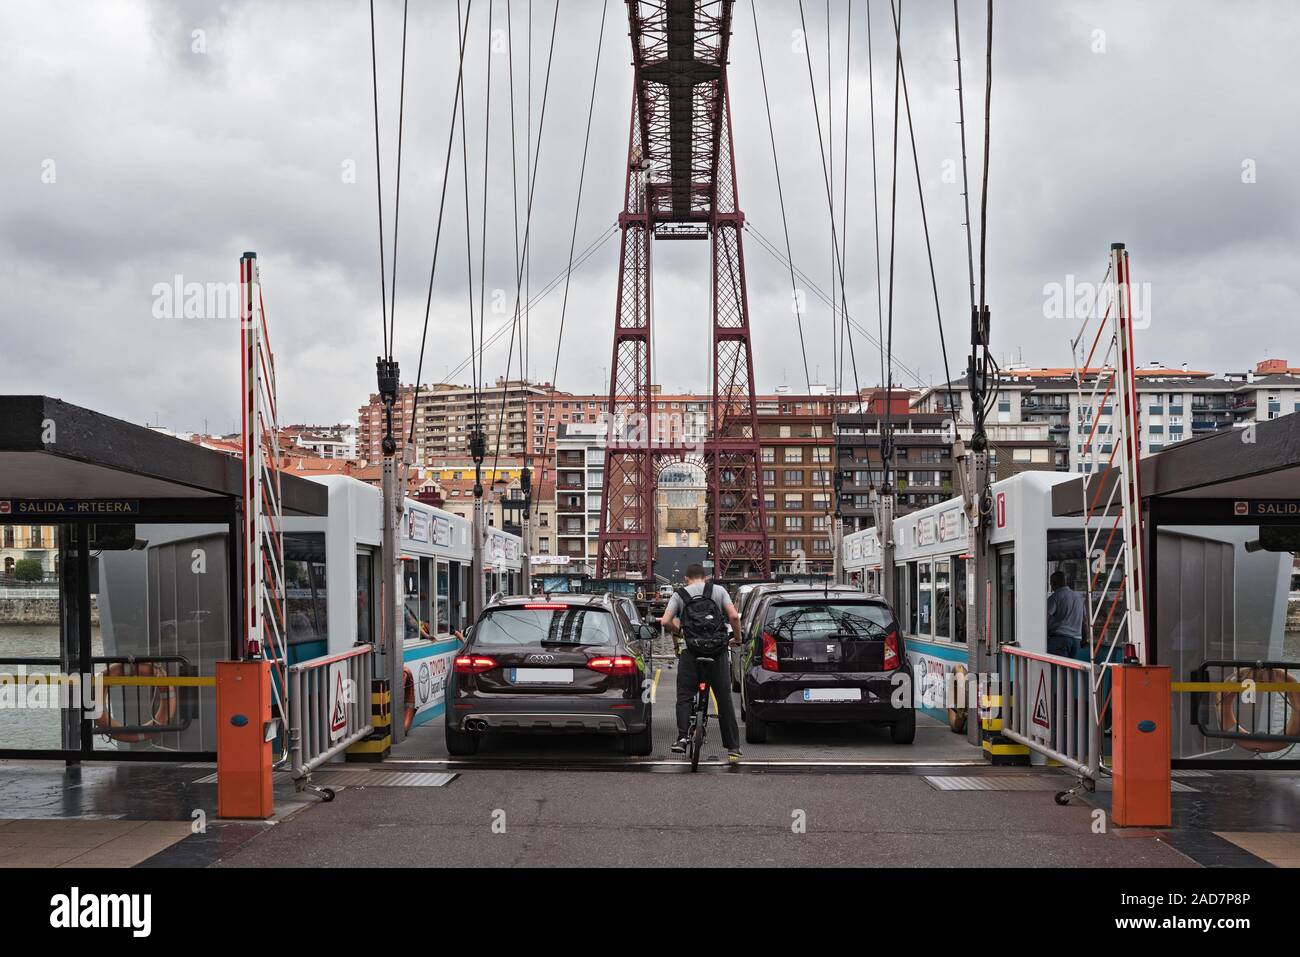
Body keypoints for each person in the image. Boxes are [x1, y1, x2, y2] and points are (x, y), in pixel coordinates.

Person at [659, 564, 743, 763]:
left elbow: (665, 621)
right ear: (704, 578)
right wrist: (737, 638)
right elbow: (733, 617)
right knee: (724, 699)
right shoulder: (719, 591)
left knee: (685, 695)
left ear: (687, 578)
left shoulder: (680, 594)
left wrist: (680, 632)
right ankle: (733, 748)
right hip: (718, 652)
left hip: (691, 652)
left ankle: (681, 738)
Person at [1046, 570, 1086, 657]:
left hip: (1060, 639)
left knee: (1057, 668)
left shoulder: (1055, 597)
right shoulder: (1078, 597)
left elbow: (1046, 618)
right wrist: (1084, 639)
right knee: (1070, 669)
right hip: (1076, 641)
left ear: (1053, 583)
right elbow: (1084, 621)